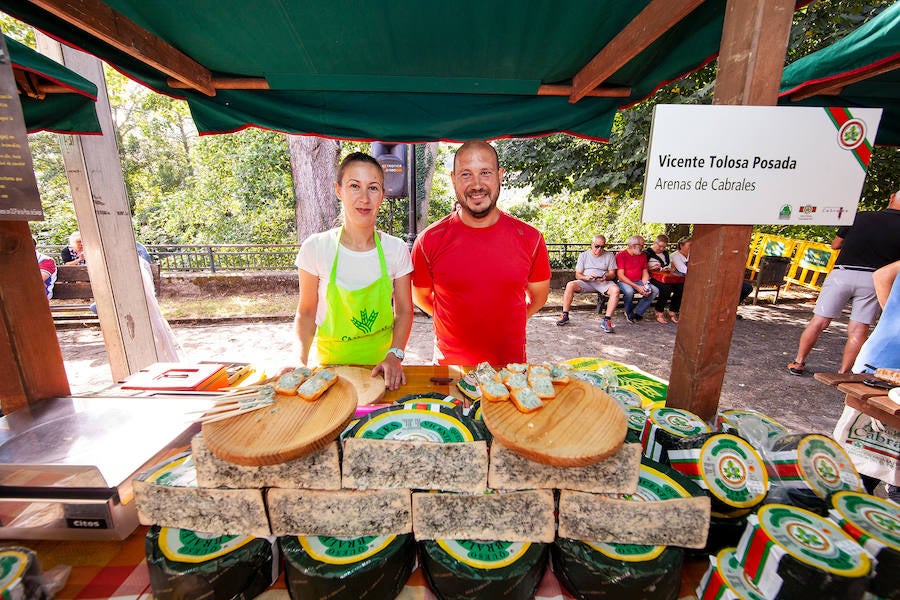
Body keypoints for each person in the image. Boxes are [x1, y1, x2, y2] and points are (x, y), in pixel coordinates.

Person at [411, 140, 551, 365]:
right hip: (449, 371)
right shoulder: (429, 240)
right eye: (466, 174)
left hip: (510, 371)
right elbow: (420, 296)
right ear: (453, 179)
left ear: (500, 175)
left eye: (485, 172)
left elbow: (539, 297)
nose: (476, 184)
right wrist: (454, 321)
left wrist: (510, 321)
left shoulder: (531, 239)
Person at [294, 152, 414, 390]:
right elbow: (306, 313)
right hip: (328, 372)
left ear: (382, 194)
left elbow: (404, 311)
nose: (364, 198)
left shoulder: (396, 249)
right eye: (354, 186)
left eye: (373, 188)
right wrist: (299, 361)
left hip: (381, 371)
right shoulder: (316, 248)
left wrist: (395, 355)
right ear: (339, 190)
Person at [788, 189, 900, 376]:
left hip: (843, 273)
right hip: (875, 278)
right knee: (858, 328)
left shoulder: (858, 217)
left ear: (891, 198)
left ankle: (798, 362)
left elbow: (835, 245)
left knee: (819, 321)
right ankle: (843, 373)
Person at [556, 235, 619, 333]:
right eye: (597, 246)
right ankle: (565, 314)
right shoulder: (584, 255)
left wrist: (605, 277)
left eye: (602, 247)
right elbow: (578, 275)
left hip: (602, 282)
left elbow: (612, 274)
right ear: (591, 244)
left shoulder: (609, 255)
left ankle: (607, 320)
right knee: (570, 285)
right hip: (586, 281)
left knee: (615, 290)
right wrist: (586, 277)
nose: (599, 249)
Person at [615, 235, 659, 324]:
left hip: (638, 280)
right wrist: (637, 287)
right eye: (642, 245)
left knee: (654, 290)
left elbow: (645, 271)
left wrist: (645, 285)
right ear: (634, 246)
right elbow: (620, 276)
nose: (644, 248)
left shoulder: (642, 255)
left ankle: (637, 312)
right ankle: (628, 312)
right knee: (629, 291)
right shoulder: (621, 255)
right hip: (624, 281)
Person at [645, 234, 683, 323]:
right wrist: (651, 268)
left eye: (664, 247)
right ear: (655, 243)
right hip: (651, 277)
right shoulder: (647, 253)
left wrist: (670, 268)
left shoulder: (665, 254)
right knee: (666, 288)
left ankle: (673, 310)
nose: (661, 249)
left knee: (680, 287)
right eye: (660, 246)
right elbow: (641, 268)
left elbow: (670, 266)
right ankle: (659, 311)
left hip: (665, 276)